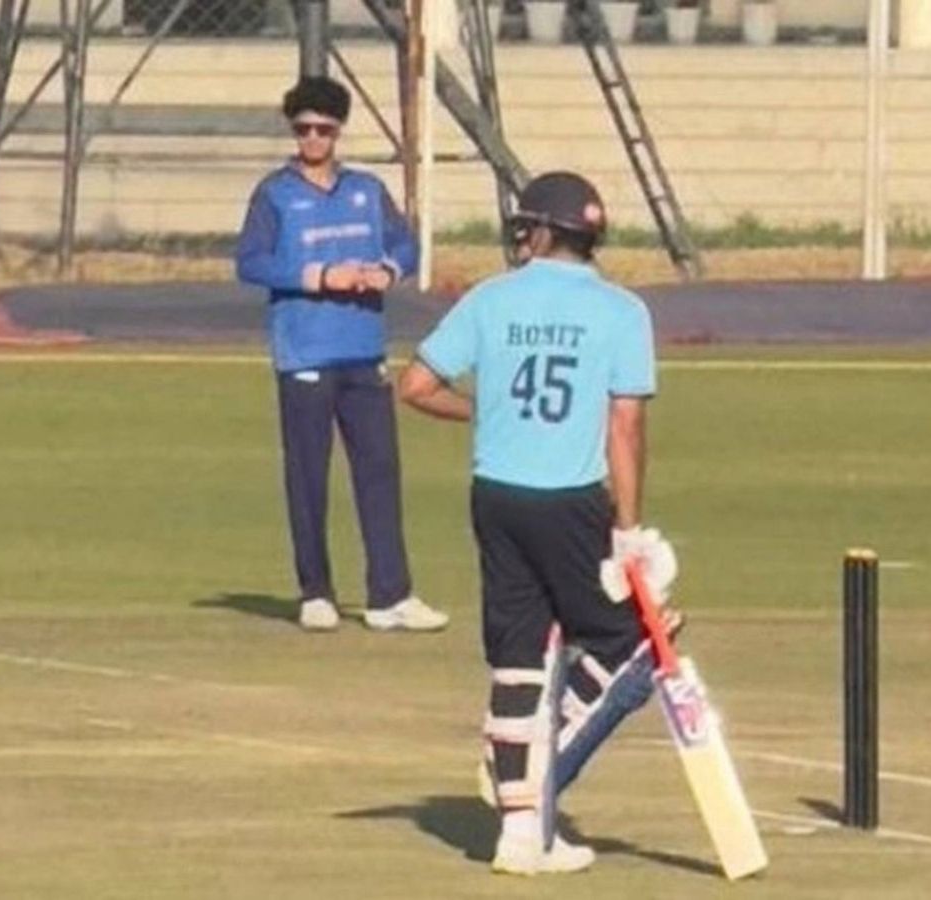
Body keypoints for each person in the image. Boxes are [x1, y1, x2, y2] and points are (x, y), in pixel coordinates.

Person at [397, 172, 679, 875]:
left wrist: (485, 414)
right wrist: (630, 528)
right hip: (570, 500)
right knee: (636, 643)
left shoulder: (491, 299)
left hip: (497, 495)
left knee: (518, 655)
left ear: (546, 232)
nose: (521, 237)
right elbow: (626, 422)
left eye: (527, 227)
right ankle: (531, 756)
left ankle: (520, 833)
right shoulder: (621, 310)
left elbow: (415, 386)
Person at [235, 75, 447, 634]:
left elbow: (404, 243)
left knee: (379, 470)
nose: (312, 139)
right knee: (308, 474)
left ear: (337, 132)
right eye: (303, 129)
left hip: (362, 349)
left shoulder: (366, 190)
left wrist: (386, 270)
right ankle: (316, 590)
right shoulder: (275, 193)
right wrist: (318, 275)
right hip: (304, 350)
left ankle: (389, 595)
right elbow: (251, 261)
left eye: (322, 130)